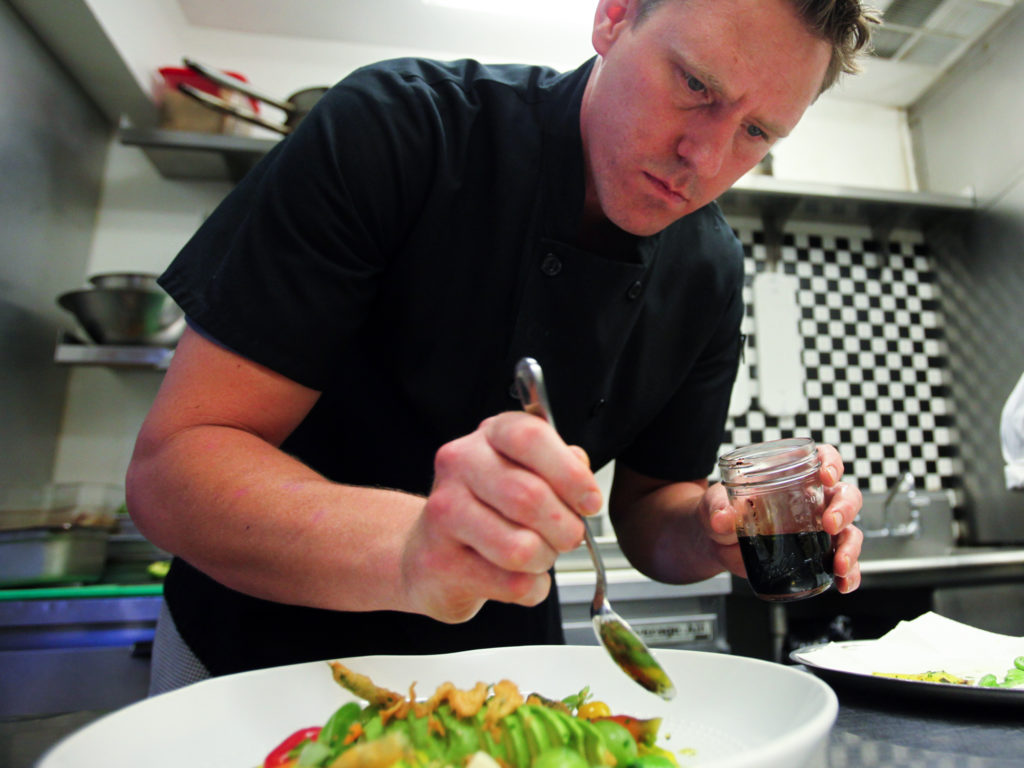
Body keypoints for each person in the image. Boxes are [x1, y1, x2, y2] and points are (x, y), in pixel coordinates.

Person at [127, 0, 875, 693]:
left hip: (505, 684)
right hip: (250, 665)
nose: (704, 158)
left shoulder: (710, 269)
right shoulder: (397, 128)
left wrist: (716, 533)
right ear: (614, 16)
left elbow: (651, 510)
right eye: (694, 84)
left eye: (756, 133)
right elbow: (174, 467)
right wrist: (413, 547)